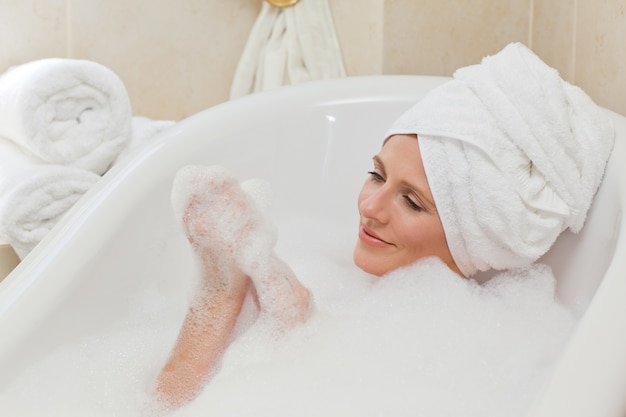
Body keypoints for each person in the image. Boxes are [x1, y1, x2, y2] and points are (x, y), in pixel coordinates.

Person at [153, 42, 614, 409]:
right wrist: (234, 299)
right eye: (377, 173)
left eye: (411, 202)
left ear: (473, 240)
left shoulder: (462, 364)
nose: (370, 206)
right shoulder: (349, 290)